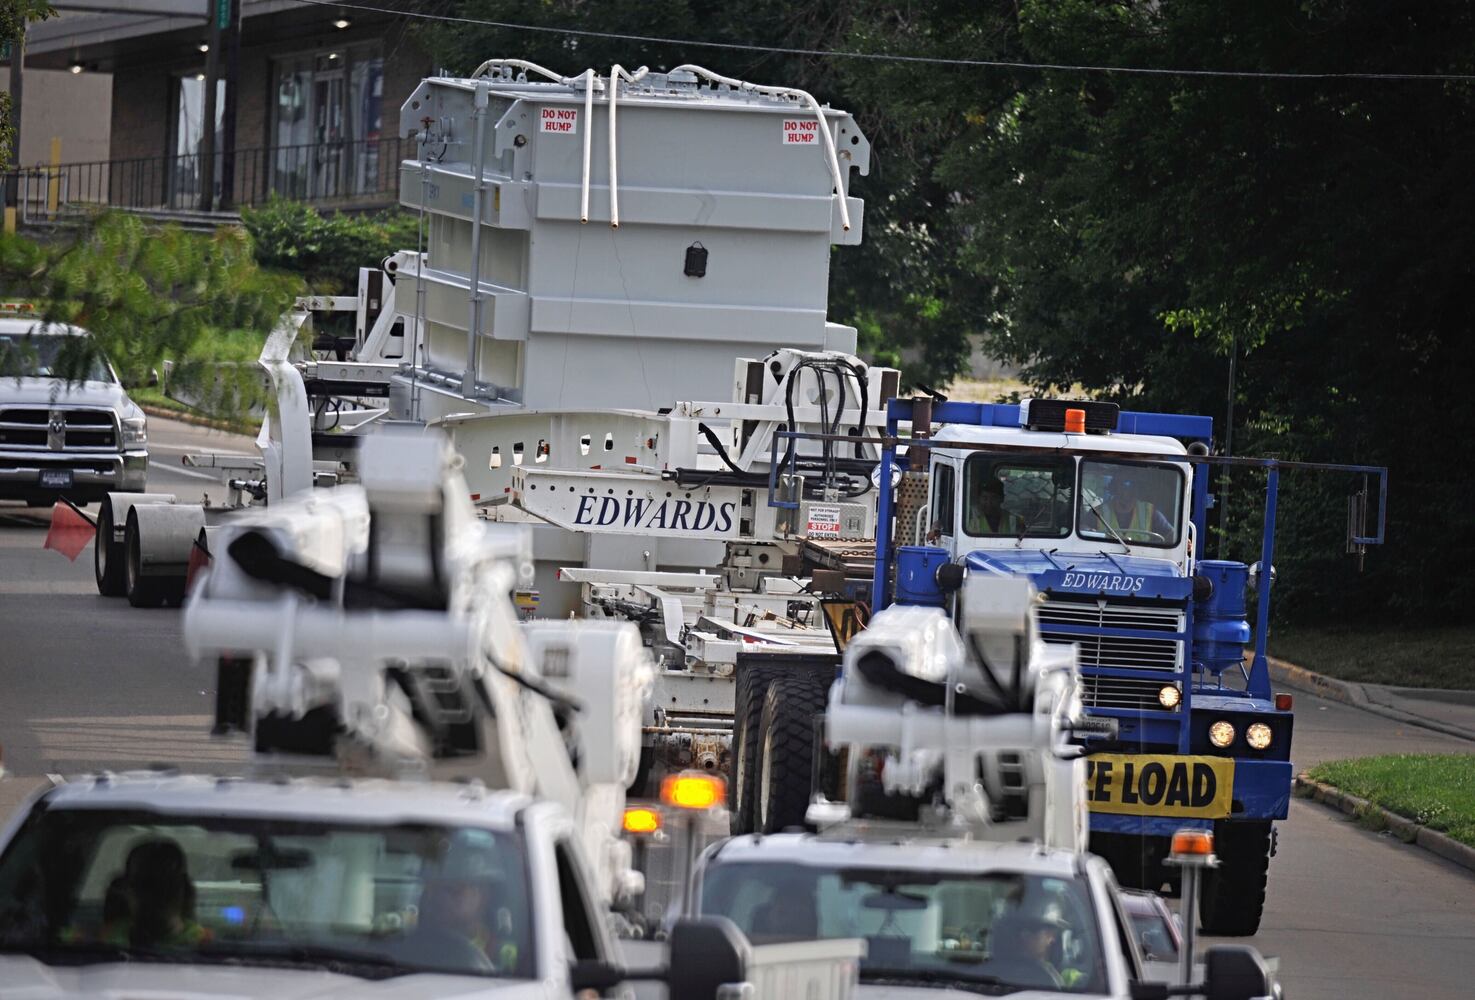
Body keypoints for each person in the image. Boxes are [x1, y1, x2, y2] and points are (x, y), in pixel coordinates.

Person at [988, 898, 1076, 989]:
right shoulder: (986, 976)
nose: (1023, 936)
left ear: (1051, 936)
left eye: (1032, 929)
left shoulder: (1072, 979)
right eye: (1017, 930)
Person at [1088, 476, 1173, 540]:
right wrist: (1088, 530)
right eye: (1122, 487)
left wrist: (1184, 542)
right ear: (1114, 489)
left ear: (1136, 491)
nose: (1126, 493)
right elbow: (1081, 530)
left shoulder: (1150, 512)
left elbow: (1171, 534)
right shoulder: (1098, 512)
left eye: (1130, 488)